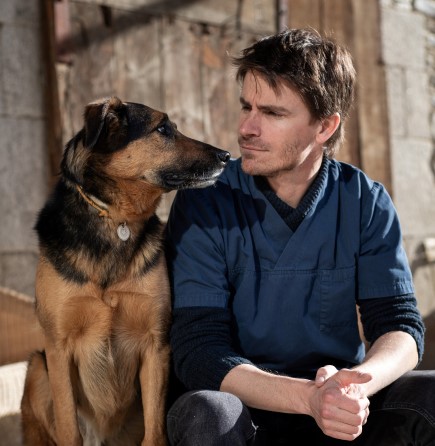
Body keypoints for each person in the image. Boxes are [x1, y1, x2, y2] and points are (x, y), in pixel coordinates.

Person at [164, 28, 434, 445]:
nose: (246, 128)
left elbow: (399, 325)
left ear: (324, 126)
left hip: (337, 409)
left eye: (272, 113)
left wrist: (354, 387)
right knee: (204, 413)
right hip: (244, 410)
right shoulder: (206, 201)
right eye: (246, 106)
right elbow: (198, 349)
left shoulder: (364, 201)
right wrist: (307, 397)